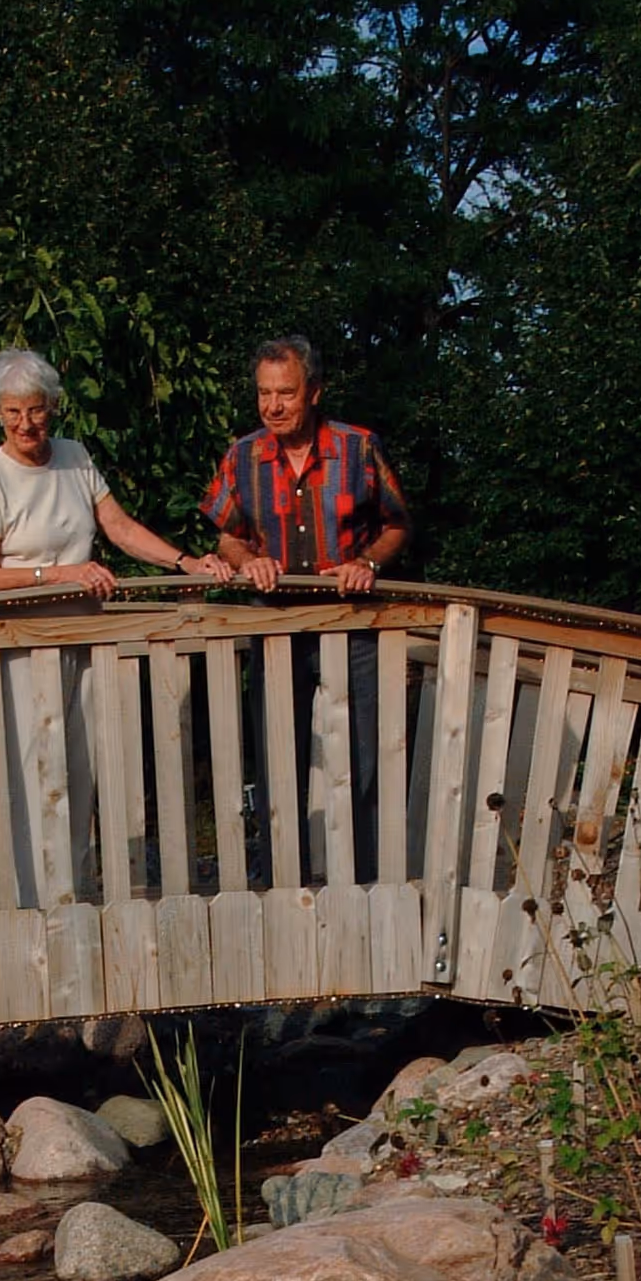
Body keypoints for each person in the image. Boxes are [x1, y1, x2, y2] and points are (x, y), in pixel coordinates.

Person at [199, 335, 411, 879]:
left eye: (285, 394)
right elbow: (227, 535)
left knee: (364, 761)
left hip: (351, 625)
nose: (273, 406)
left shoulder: (358, 448)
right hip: (275, 624)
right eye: (264, 394)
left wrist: (368, 564)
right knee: (276, 762)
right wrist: (248, 559)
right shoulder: (242, 455)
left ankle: (368, 886)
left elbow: (397, 524)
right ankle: (279, 884)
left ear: (313, 391)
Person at [0, 348, 229, 596]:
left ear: (52, 406)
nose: (25, 424)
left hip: (81, 624)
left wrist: (186, 563)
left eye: (36, 411)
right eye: (13, 412)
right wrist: (61, 574)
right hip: (17, 633)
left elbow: (120, 527)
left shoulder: (74, 455)